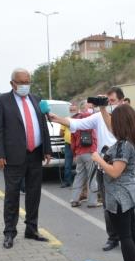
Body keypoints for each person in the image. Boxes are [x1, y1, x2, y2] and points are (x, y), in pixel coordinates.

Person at [49, 86, 122, 251]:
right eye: (106, 100)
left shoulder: (125, 116)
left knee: (122, 205)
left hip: (121, 166)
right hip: (104, 165)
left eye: (111, 101)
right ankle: (113, 237)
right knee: (107, 206)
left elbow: (118, 131)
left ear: (121, 102)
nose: (108, 104)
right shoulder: (98, 117)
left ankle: (126, 236)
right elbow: (78, 123)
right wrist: (57, 119)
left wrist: (104, 109)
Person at [0, 68, 52, 249]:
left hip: (35, 154)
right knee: (12, 195)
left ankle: (31, 229)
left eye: (28, 82)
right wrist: (0, 155)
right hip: (13, 156)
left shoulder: (36, 100)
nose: (25, 86)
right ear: (12, 83)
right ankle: (9, 232)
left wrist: (47, 149)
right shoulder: (3, 101)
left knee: (34, 194)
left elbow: (43, 125)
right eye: (22, 82)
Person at [91, 104, 135, 261]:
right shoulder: (132, 139)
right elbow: (108, 124)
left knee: (125, 235)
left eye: (115, 122)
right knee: (133, 230)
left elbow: (115, 172)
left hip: (119, 195)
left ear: (120, 123)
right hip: (127, 192)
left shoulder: (124, 145)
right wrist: (102, 109)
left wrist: (99, 159)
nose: (111, 125)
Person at [69, 101, 98, 207]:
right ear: (85, 108)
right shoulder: (90, 118)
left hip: (79, 153)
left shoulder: (74, 121)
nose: (91, 108)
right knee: (92, 176)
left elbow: (72, 140)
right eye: (89, 107)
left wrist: (74, 154)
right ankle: (92, 202)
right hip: (90, 152)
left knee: (79, 177)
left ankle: (74, 199)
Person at [59, 104, 78, 188]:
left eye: (74, 110)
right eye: (71, 110)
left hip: (79, 144)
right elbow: (61, 133)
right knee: (68, 163)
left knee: (80, 163)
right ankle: (67, 181)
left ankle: (79, 183)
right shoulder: (65, 120)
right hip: (68, 144)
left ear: (77, 110)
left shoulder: (81, 119)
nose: (72, 112)